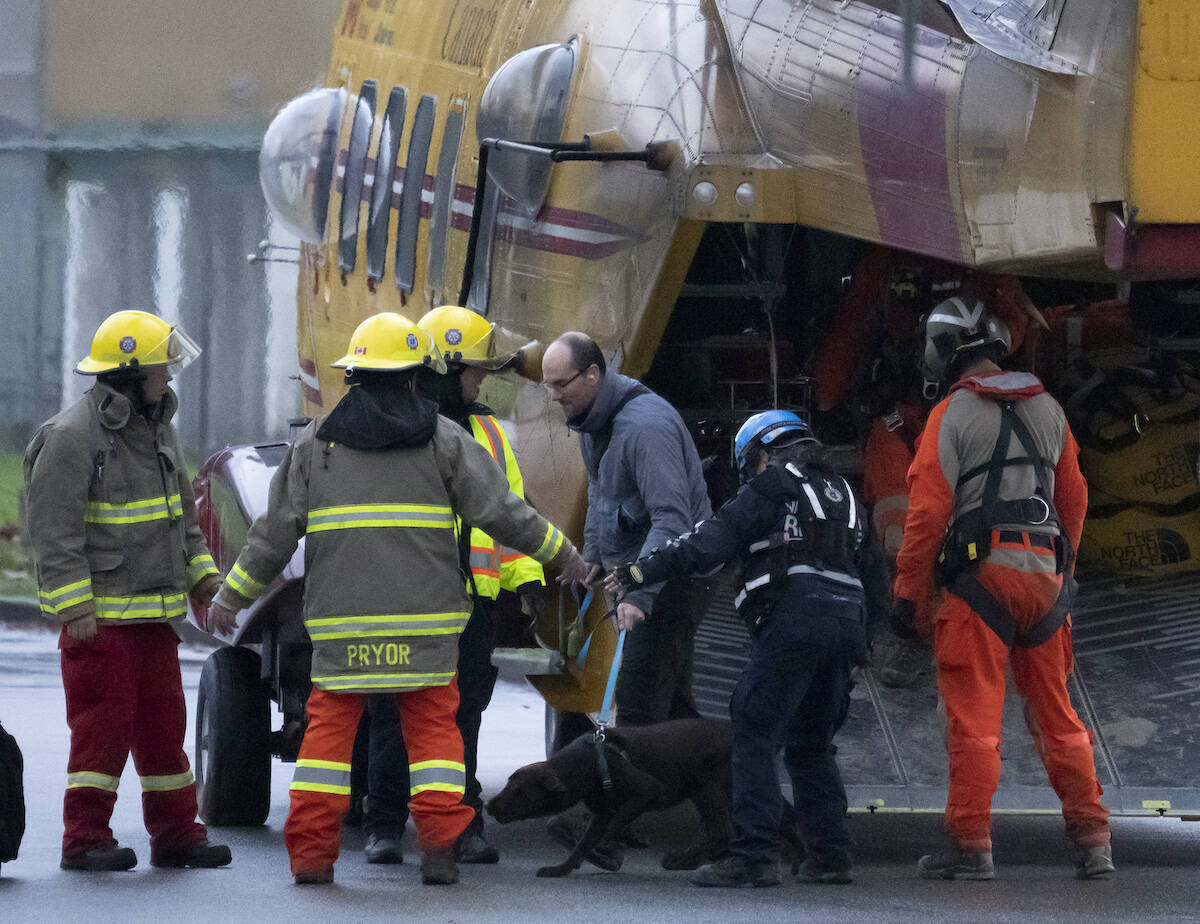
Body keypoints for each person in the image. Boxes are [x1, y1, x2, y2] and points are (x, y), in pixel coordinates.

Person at [205, 312, 586, 886]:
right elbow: (504, 513)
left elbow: (273, 535)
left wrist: (230, 598)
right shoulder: (446, 440)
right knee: (436, 744)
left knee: (325, 751)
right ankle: (440, 851)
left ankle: (312, 860)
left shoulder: (316, 446)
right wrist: (566, 556)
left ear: (354, 375)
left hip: (342, 634)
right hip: (427, 633)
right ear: (415, 376)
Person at [607, 410, 883, 887]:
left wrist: (639, 572)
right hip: (847, 625)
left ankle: (753, 857)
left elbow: (708, 542)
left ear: (759, 453)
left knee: (753, 733)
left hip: (795, 621)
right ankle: (831, 855)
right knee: (813, 743)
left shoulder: (773, 484)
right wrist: (863, 646)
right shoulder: (848, 497)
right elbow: (876, 581)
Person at [891, 296, 1112, 880]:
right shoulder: (1049, 410)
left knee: (975, 723)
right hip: (1045, 583)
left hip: (979, 585)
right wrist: (1062, 570)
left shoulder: (948, 418)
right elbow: (1075, 499)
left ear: (941, 353)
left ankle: (971, 847)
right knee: (1060, 719)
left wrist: (907, 598)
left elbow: (926, 518)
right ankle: (1093, 841)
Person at [24, 309, 231, 872]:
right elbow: (54, 532)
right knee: (101, 737)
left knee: (166, 733)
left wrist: (206, 578)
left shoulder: (157, 429)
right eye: (161, 370)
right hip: (102, 625)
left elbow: (182, 522)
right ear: (129, 374)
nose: (168, 380)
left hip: (154, 621)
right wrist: (75, 608)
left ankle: (177, 836)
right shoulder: (70, 437)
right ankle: (84, 839)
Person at [360, 305, 546, 866]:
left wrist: (528, 580)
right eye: (473, 371)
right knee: (392, 714)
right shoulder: (399, 427)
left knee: (464, 717)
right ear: (441, 367)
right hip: (408, 600)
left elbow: (509, 513)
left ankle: (461, 826)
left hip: (472, 606)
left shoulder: (487, 429)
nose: (480, 382)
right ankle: (385, 825)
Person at [540, 331, 711, 863]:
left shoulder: (646, 429)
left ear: (593, 374)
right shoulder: (594, 421)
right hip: (638, 575)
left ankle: (603, 829)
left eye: (561, 385)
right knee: (677, 713)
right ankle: (735, 820)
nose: (554, 397)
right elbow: (601, 494)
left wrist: (641, 592)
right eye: (548, 387)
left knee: (636, 713)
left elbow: (673, 521)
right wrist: (591, 555)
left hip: (672, 583)